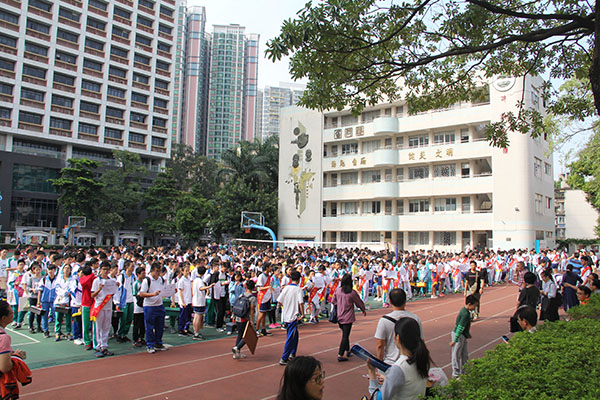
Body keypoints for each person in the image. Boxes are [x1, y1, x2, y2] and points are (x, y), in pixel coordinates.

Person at [367, 317, 430, 400]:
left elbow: (378, 398)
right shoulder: (421, 360)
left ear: (398, 338)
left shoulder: (399, 367)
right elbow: (409, 384)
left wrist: (371, 372)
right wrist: (389, 380)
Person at [375, 288, 423, 365]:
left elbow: (380, 345)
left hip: (390, 362)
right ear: (405, 300)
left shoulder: (384, 320)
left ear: (390, 301)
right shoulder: (415, 318)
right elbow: (421, 341)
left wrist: (379, 364)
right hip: (411, 362)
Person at [0, 300, 31, 398]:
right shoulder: (4, 338)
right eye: (11, 313)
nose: (13, 314)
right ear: (4, 318)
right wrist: (16, 357)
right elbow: (4, 367)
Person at [332, 273, 367, 362]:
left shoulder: (338, 291)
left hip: (339, 315)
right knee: (345, 335)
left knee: (345, 333)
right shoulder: (352, 292)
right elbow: (358, 302)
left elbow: (333, 301)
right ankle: (340, 353)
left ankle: (347, 350)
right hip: (348, 316)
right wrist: (363, 309)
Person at [139, 262, 168, 354]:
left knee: (160, 325)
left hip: (159, 305)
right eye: (156, 271)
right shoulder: (147, 280)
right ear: (151, 271)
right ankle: (150, 344)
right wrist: (153, 294)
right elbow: (141, 293)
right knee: (150, 326)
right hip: (149, 306)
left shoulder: (161, 279)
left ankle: (158, 342)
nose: (158, 273)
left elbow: (164, 290)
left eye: (159, 271)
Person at [277, 271, 304, 365]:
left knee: (295, 335)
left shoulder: (286, 288)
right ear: (299, 279)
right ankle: (284, 357)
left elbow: (279, 300)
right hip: (293, 316)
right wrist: (303, 313)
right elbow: (301, 303)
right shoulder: (298, 289)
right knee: (290, 336)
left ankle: (293, 352)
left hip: (287, 315)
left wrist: (285, 306)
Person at [450, 294, 479, 377]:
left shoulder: (466, 312)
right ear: (469, 304)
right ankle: (455, 373)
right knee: (456, 354)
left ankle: (464, 370)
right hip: (458, 335)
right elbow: (460, 327)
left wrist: (467, 333)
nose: (475, 308)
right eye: (474, 306)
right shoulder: (465, 314)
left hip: (463, 335)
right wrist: (454, 340)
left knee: (464, 354)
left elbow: (465, 326)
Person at [91, 262, 114, 358]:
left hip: (108, 306)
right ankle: (97, 347)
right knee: (98, 327)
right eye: (104, 269)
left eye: (107, 269)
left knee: (106, 327)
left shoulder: (111, 280)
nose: (105, 271)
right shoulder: (97, 281)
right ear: (100, 270)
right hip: (99, 306)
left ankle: (104, 346)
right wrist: (99, 289)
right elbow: (92, 295)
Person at [232, 279, 257, 360]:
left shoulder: (242, 295)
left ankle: (236, 353)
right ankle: (237, 348)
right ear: (253, 288)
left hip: (238, 317)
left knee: (240, 334)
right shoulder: (252, 298)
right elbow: (252, 310)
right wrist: (251, 320)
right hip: (245, 319)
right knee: (248, 336)